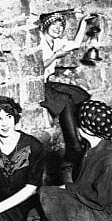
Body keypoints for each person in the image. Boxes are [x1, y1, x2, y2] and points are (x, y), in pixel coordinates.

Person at [38, 11, 95, 179]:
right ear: (46, 25)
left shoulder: (56, 42)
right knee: (65, 100)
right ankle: (74, 146)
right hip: (37, 83)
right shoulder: (38, 41)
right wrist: (55, 56)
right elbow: (35, 68)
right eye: (54, 24)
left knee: (80, 94)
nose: (58, 28)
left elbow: (76, 44)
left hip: (47, 82)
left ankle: (81, 133)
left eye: (61, 26)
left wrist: (83, 22)